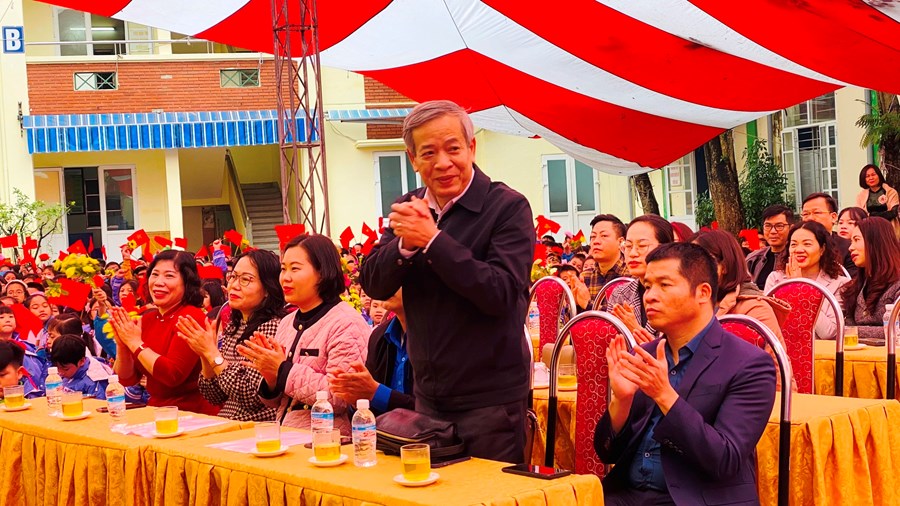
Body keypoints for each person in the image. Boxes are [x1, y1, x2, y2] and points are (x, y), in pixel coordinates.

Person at [359, 100, 534, 463]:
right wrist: (406, 245)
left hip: (490, 402)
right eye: (428, 153)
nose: (442, 163)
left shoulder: (507, 207)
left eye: (453, 148)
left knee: (487, 493)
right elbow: (374, 283)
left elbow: (501, 293)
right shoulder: (410, 207)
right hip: (427, 397)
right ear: (413, 159)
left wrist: (434, 241)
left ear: (471, 148)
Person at [594, 243, 776, 505]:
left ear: (703, 292)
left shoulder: (749, 364)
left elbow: (725, 460)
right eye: (648, 286)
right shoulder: (644, 354)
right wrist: (621, 401)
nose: (650, 296)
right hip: (625, 497)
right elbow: (607, 454)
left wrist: (665, 396)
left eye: (664, 285)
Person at [239, 234, 369, 434]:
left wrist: (282, 370)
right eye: (283, 269)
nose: (285, 277)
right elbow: (277, 402)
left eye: (295, 268)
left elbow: (340, 397)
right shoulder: (287, 322)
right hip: (287, 433)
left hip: (327, 439)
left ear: (322, 273)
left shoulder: (346, 323)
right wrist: (271, 378)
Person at [177, 249, 286, 421]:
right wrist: (205, 354)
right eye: (233, 276)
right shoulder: (235, 326)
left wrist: (211, 353)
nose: (234, 285)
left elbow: (250, 396)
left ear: (268, 289)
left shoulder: (272, 327)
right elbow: (213, 396)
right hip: (229, 421)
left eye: (246, 279)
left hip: (257, 425)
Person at [108, 250, 218, 414]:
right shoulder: (148, 319)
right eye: (155, 274)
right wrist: (122, 344)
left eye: (169, 276)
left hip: (191, 413)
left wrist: (135, 343)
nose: (159, 282)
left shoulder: (191, 317)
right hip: (157, 411)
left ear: (186, 282)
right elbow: (127, 379)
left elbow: (172, 375)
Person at [329, 288, 415, 415]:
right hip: (383, 427)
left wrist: (376, 393)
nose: (387, 285)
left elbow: (437, 412)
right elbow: (369, 412)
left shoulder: (439, 338)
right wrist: (357, 400)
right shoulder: (379, 336)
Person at [765, 221, 850, 340]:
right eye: (794, 244)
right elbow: (767, 325)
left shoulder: (840, 284)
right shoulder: (775, 279)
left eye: (807, 244)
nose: (799, 250)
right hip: (782, 347)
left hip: (819, 349)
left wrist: (801, 288)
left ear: (822, 249)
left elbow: (829, 332)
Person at [607, 214, 674, 342]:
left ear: (665, 248)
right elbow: (611, 343)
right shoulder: (620, 294)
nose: (632, 253)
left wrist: (635, 330)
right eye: (628, 246)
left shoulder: (679, 293)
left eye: (642, 246)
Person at [842, 218, 900, 342]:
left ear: (876, 242)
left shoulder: (897, 284)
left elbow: (896, 330)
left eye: (856, 240)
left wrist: (855, 331)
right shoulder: (855, 286)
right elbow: (847, 327)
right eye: (851, 241)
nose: (850, 248)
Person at [801, 192, 858, 278]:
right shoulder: (794, 247)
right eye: (805, 214)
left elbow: (852, 282)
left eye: (816, 212)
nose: (810, 218)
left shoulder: (849, 248)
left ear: (834, 217)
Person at [581, 214, 628, 307]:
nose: (596, 241)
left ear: (620, 242)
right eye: (593, 237)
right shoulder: (585, 276)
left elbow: (621, 315)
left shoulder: (630, 275)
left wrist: (587, 304)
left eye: (604, 236)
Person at [746, 205, 794, 290]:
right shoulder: (753, 259)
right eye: (768, 226)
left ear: (791, 228)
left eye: (779, 226)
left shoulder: (796, 258)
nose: (773, 231)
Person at [49, 334, 111, 400]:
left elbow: (98, 404)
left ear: (81, 361)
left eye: (66, 369)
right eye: (57, 368)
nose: (60, 372)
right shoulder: (69, 373)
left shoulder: (93, 382)